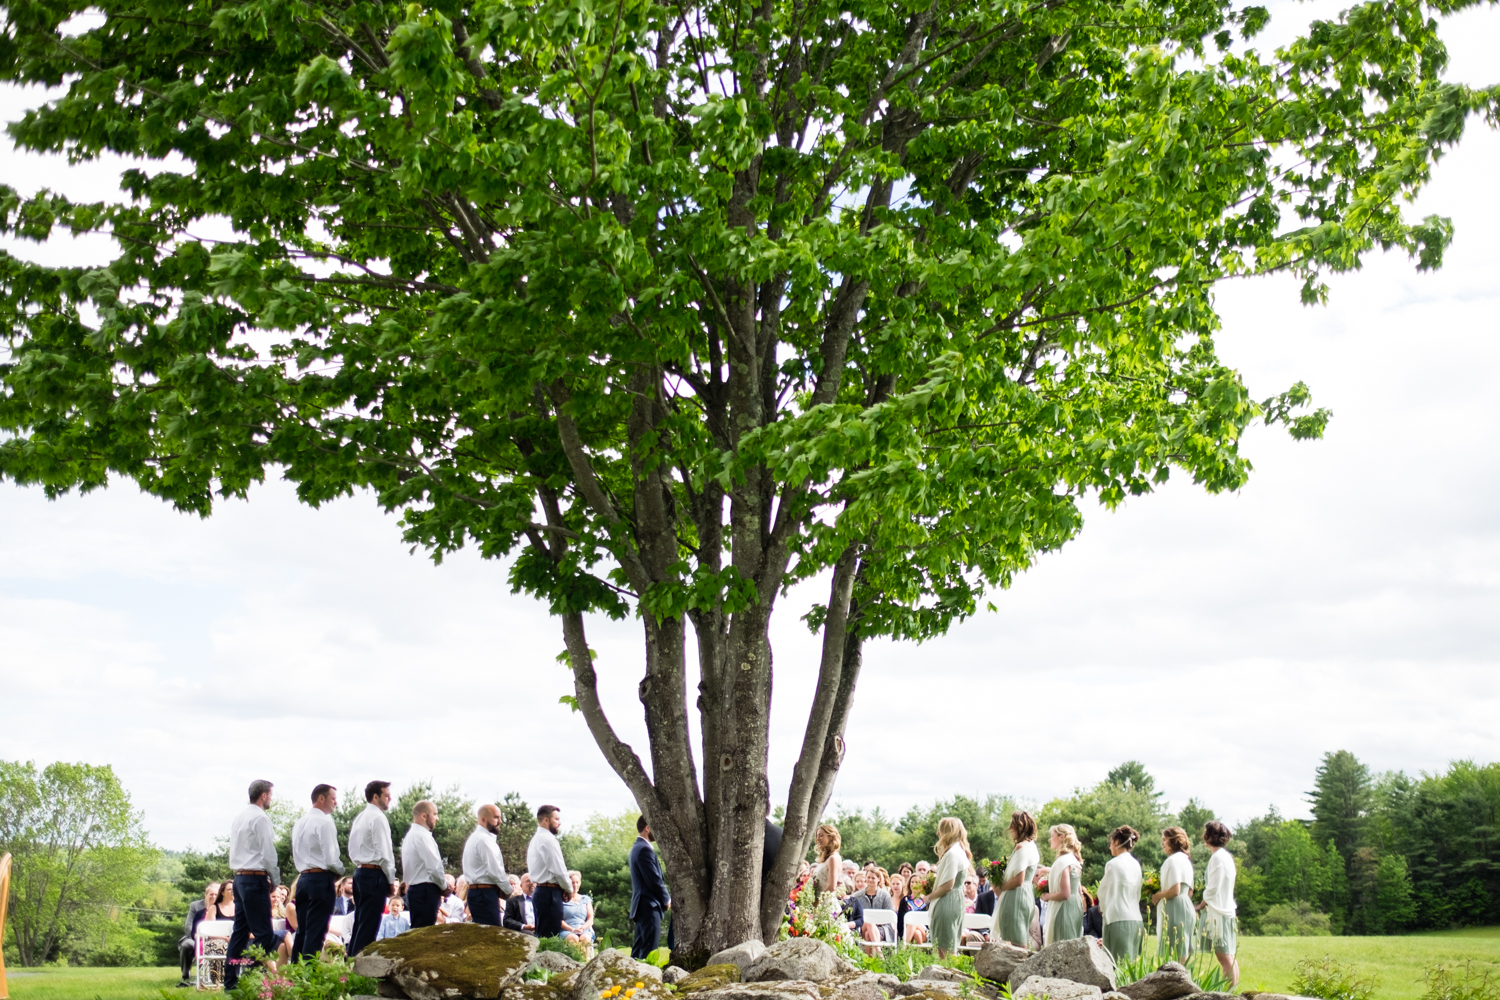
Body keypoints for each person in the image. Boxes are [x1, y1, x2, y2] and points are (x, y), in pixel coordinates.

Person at [225, 779, 280, 990]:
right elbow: (268, 852)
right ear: (264, 795)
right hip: (254, 879)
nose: (271, 799)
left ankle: (230, 983)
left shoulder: (239, 818)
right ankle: (248, 976)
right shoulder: (260, 818)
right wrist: (275, 879)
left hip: (239, 879)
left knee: (239, 933)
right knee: (265, 934)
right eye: (271, 795)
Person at [291, 783, 344, 963]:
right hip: (320, 879)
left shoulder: (299, 822)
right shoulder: (324, 822)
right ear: (321, 798)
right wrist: (342, 870)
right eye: (333, 799)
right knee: (316, 930)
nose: (336, 803)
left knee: (303, 930)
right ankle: (308, 975)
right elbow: (331, 858)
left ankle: (295, 973)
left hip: (303, 879)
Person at [347, 780, 397, 956]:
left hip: (360, 872)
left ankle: (351, 967)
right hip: (374, 873)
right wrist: (391, 880)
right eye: (387, 795)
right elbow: (385, 853)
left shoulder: (360, 817)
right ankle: (359, 974)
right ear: (375, 796)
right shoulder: (378, 817)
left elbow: (351, 849)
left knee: (360, 923)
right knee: (369, 926)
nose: (390, 798)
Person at [1196, 821, 1239, 987]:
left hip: (1218, 912)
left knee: (1224, 956)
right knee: (1229, 955)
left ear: (1209, 837)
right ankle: (1233, 992)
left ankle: (1229, 994)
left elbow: (1213, 888)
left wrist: (1200, 905)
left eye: (1204, 833)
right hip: (1226, 908)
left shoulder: (1217, 858)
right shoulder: (1225, 857)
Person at [923, 816, 971, 958]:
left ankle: (947, 977)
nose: (938, 834)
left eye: (941, 830)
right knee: (949, 944)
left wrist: (928, 897)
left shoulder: (952, 854)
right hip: (955, 900)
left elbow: (948, 885)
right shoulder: (959, 851)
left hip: (947, 901)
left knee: (944, 948)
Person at [462, 803, 515, 926]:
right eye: (496, 817)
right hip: (484, 893)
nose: (500, 821)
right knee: (491, 934)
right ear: (483, 819)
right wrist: (508, 890)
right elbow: (495, 871)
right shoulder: (483, 839)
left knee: (485, 932)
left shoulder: (475, 838)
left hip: (479, 892)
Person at [1099, 825, 1144, 961]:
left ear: (1117, 842)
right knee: (1132, 965)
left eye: (1111, 843)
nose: (1109, 847)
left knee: (1116, 965)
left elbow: (1104, 892)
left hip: (1118, 919)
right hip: (1136, 919)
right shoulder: (1136, 864)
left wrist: (1102, 907)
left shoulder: (1113, 864)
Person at [629, 816, 671, 959]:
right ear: (647, 828)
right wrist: (666, 899)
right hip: (648, 904)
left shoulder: (638, 847)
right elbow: (654, 880)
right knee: (649, 950)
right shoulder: (644, 850)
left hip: (642, 905)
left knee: (639, 948)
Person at [1151, 826, 1195, 962]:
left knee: (1173, 952)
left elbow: (1175, 890)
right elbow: (1190, 892)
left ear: (1174, 841)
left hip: (1174, 908)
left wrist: (1158, 895)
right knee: (1181, 951)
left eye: (1165, 840)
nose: (1162, 843)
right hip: (1186, 906)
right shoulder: (1186, 860)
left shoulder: (1173, 860)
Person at [527, 804, 571, 939]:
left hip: (542, 892)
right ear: (546, 820)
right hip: (549, 893)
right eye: (556, 819)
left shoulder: (536, 839)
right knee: (549, 937)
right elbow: (559, 869)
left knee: (543, 935)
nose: (560, 823)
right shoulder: (548, 840)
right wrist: (568, 888)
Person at [402, 800, 447, 929]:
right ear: (424, 816)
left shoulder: (410, 835)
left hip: (416, 890)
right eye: (435, 814)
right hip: (425, 891)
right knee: (425, 931)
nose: (437, 818)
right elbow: (434, 867)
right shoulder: (422, 836)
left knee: (418, 928)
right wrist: (444, 886)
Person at [1040, 823, 1084, 945]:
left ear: (1062, 837)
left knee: (1060, 942)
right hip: (1075, 906)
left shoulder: (1063, 861)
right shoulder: (1074, 860)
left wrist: (1048, 896)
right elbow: (1079, 891)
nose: (1050, 839)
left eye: (1052, 835)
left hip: (1064, 909)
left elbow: (1065, 894)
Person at [176, 882, 218, 987]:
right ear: (206, 895)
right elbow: (188, 925)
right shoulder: (196, 906)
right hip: (195, 937)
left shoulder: (222, 906)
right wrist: (196, 935)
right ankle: (186, 974)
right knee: (187, 944)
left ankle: (214, 975)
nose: (213, 896)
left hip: (217, 938)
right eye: (211, 894)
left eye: (216, 894)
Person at [560, 870, 595, 946]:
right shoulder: (561, 900)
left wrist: (582, 928)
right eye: (572, 882)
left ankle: (586, 958)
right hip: (566, 930)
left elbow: (590, 919)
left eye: (577, 882)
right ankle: (574, 957)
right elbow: (558, 920)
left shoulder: (585, 899)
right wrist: (572, 930)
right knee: (573, 938)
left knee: (585, 938)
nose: (575, 885)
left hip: (583, 929)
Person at [812, 824, 842, 896]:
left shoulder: (833, 858)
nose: (817, 839)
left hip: (825, 902)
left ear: (831, 837)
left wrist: (817, 903)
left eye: (821, 835)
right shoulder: (829, 858)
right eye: (817, 836)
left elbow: (832, 887)